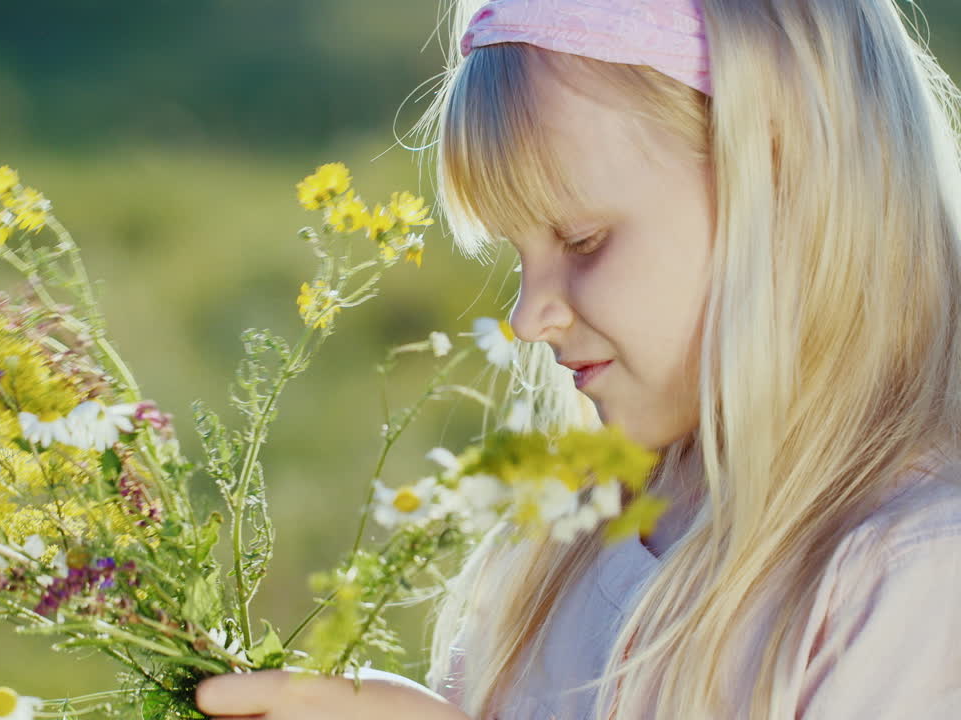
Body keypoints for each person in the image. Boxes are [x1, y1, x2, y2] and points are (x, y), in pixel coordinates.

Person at [195, 0, 961, 717]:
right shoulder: (559, 545)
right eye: (517, 255)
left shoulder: (915, 578)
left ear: (785, 187)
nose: (528, 318)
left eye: (582, 240)